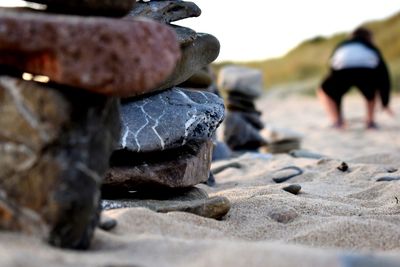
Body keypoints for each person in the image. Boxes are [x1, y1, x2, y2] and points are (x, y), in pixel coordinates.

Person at [317, 27, 393, 129]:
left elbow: (332, 66)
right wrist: (385, 102)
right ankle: (370, 121)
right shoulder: (371, 47)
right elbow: (384, 75)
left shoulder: (342, 45)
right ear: (368, 37)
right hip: (366, 73)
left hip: (341, 73)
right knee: (372, 89)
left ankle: (337, 121)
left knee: (325, 90)